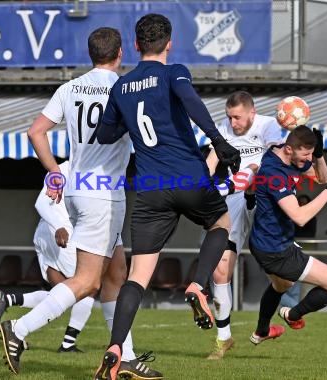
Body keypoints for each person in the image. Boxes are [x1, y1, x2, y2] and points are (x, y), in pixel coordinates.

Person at [0, 27, 161, 379]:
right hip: (103, 192)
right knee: (87, 282)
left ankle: (125, 355)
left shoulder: (69, 87)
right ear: (120, 53)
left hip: (77, 187)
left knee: (116, 274)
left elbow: (35, 131)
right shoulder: (123, 89)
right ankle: (19, 330)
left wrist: (54, 172)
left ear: (92, 54)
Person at [94, 13, 240, 379]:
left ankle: (115, 347)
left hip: (148, 189)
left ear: (137, 45)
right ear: (169, 43)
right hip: (187, 176)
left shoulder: (120, 86)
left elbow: (105, 134)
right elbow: (189, 100)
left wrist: (128, 120)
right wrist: (218, 141)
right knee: (221, 222)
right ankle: (197, 284)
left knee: (137, 277)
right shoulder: (174, 71)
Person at [202, 91, 324, 360]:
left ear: (252, 113)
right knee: (221, 272)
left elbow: (274, 160)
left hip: (263, 198)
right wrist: (203, 184)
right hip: (234, 199)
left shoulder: (269, 126)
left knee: (283, 282)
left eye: (238, 117)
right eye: (229, 117)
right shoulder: (223, 128)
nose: (233, 123)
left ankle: (281, 316)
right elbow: (211, 162)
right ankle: (224, 339)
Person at [248, 126, 327, 345]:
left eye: (311, 154)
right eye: (306, 154)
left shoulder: (292, 158)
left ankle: (261, 331)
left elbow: (321, 177)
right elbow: (300, 217)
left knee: (281, 286)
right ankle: (292, 315)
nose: (308, 159)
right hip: (277, 251)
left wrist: (319, 155)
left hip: (268, 243)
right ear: (288, 149)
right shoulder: (274, 174)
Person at [0, 161, 93, 353]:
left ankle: (9, 299)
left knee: (61, 293)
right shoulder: (65, 169)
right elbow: (40, 203)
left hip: (45, 233)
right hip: (62, 233)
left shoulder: (67, 168)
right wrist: (59, 226)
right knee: (86, 286)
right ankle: (67, 344)